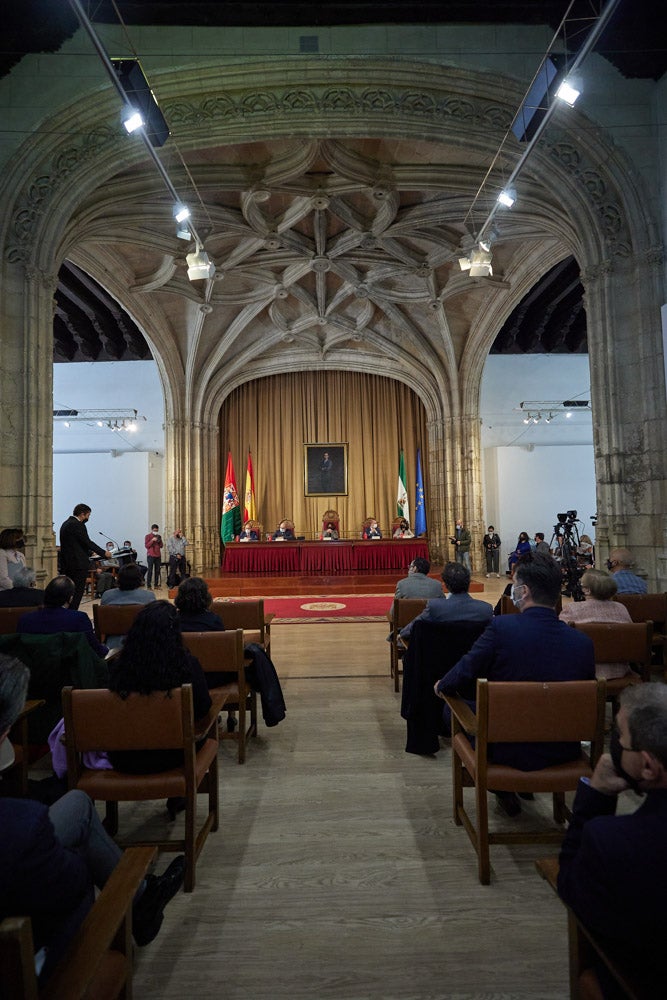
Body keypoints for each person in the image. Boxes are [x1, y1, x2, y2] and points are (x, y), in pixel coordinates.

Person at [0, 653, 186, 982]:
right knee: (78, 829)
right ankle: (140, 900)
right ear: (6, 731)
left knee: (77, 803)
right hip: (26, 969)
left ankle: (142, 897)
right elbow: (74, 884)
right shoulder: (23, 826)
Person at [434, 552, 595, 816]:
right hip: (562, 750)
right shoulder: (583, 643)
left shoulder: (502, 628)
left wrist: (442, 686)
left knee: (449, 708)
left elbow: (465, 670)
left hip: (504, 750)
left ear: (524, 591)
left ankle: (503, 788)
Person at [557, 683, 667, 997]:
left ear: (648, 766)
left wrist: (595, 798)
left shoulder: (614, 842)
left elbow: (571, 885)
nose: (613, 745)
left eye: (619, 737)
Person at [107, 601, 211, 789]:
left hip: (123, 758)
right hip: (175, 755)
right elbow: (203, 708)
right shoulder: (186, 665)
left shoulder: (118, 667)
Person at [559, 568, 633, 679]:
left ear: (588, 590)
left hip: (582, 672)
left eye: (581, 584)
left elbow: (559, 638)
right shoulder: (621, 608)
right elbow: (631, 638)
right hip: (619, 671)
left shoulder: (572, 609)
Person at [18, 575, 108, 658]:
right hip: (69, 671)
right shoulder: (78, 619)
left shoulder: (25, 619)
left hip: (35, 671)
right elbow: (95, 649)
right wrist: (107, 649)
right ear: (70, 598)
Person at [400, 562, 493, 641]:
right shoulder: (486, 609)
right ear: (469, 582)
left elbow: (410, 630)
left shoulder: (435, 607)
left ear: (445, 585)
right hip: (474, 660)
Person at [59, 504, 107, 610]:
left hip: (67, 564)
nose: (88, 518)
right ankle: (72, 614)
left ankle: (68, 612)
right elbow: (87, 542)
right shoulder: (77, 524)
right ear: (82, 514)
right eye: (88, 515)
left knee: (69, 592)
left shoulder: (65, 523)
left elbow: (75, 544)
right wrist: (104, 553)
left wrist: (90, 553)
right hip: (78, 565)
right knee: (77, 593)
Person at [100, 563, 157, 650]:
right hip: (142, 644)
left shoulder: (107, 595)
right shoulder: (148, 596)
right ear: (139, 579)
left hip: (112, 646)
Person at [144, 524, 164, 589]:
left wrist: (159, 540)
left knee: (157, 570)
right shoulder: (148, 536)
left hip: (158, 555)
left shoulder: (159, 536)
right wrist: (152, 540)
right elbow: (147, 546)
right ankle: (149, 586)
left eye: (157, 530)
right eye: (154, 530)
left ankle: (156, 585)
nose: (156, 531)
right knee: (150, 570)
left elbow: (161, 546)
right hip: (151, 555)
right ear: (152, 529)